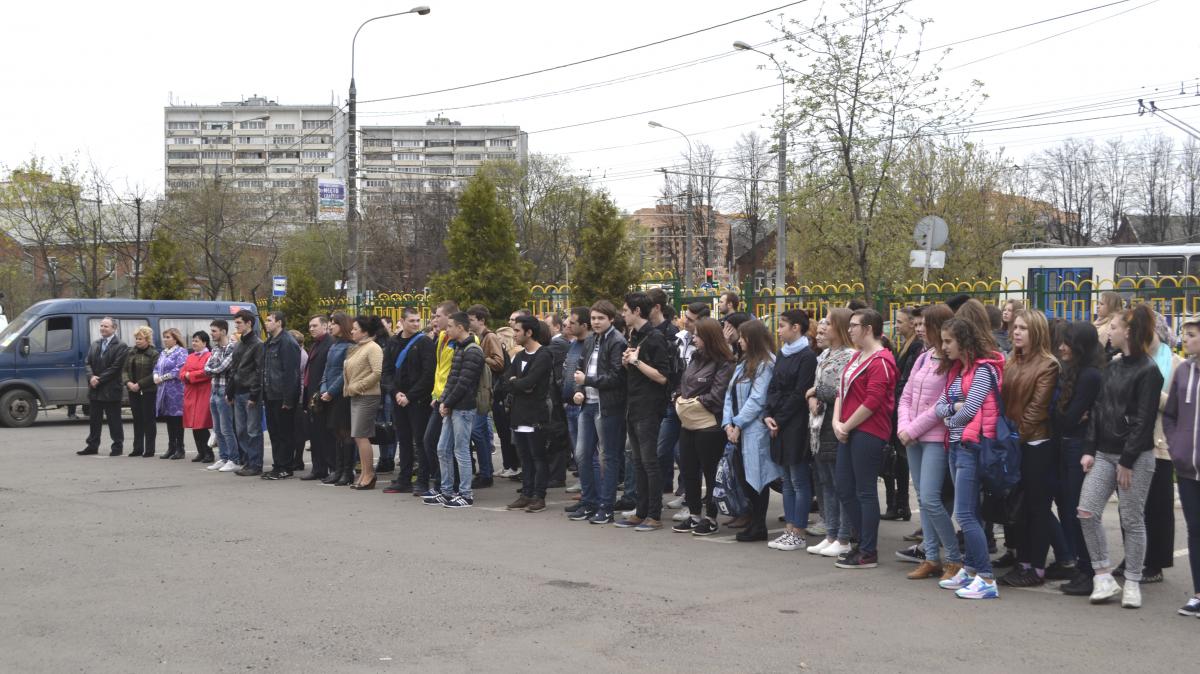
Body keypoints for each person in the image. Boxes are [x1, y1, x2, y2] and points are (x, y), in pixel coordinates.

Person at [1079, 303, 1162, 608]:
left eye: (1113, 327)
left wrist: (1127, 461)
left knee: (1131, 519)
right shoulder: (1111, 367)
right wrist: (1089, 450)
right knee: (1086, 511)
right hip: (1103, 453)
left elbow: (1144, 420)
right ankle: (1102, 576)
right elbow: (1098, 411)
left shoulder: (1149, 371)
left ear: (1128, 332)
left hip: (1135, 458)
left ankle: (1133, 581)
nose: (1108, 332)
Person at [935, 317, 1007, 599]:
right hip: (956, 445)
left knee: (964, 513)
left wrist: (951, 418)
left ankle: (986, 578)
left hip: (971, 446)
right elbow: (940, 406)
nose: (944, 347)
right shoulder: (958, 370)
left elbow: (971, 409)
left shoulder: (983, 370)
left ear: (964, 341)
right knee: (970, 512)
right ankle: (972, 568)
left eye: (948, 341)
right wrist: (954, 409)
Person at [995, 309, 1060, 587]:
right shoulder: (1011, 361)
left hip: (1035, 444)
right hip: (1013, 442)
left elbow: (1037, 410)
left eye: (1023, 328)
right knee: (1017, 508)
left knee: (1036, 508)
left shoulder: (1048, 365)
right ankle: (1022, 562)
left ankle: (1036, 568)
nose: (1017, 332)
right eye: (1016, 327)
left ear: (1037, 332)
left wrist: (1012, 440)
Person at [896, 303, 961, 581]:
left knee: (932, 499)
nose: (919, 329)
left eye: (925, 324)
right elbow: (907, 395)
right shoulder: (924, 357)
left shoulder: (954, 362)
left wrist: (912, 429)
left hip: (934, 438)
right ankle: (931, 557)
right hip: (913, 436)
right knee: (923, 498)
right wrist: (904, 427)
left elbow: (942, 405)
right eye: (918, 324)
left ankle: (954, 559)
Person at [831, 309, 897, 569]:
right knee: (844, 487)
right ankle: (861, 542)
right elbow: (841, 391)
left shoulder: (881, 361)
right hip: (848, 429)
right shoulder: (857, 357)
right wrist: (837, 422)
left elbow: (873, 401)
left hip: (869, 432)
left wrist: (845, 425)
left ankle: (868, 550)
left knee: (865, 490)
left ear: (869, 329)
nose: (849, 330)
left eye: (854, 325)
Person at [614, 292, 672, 532]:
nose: (623, 315)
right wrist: (627, 363)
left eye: (626, 310)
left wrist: (637, 362)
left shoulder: (655, 337)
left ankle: (654, 515)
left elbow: (663, 376)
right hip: (634, 405)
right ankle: (641, 511)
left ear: (637, 311)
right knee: (637, 462)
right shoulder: (634, 336)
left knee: (649, 462)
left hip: (649, 407)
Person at [1054, 321, 1104, 597]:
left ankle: (1088, 570)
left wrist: (1064, 416)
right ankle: (1080, 565)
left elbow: (1068, 418)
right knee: (1067, 506)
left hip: (1079, 448)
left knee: (1078, 510)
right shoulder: (1073, 371)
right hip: (1067, 444)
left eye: (1068, 343)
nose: (1062, 347)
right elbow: (1066, 415)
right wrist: (1065, 416)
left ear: (1081, 346)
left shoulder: (1090, 376)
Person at [672, 316, 735, 536]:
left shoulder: (725, 362)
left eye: (697, 335)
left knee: (710, 472)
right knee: (688, 470)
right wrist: (679, 397)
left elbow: (718, 396)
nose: (693, 339)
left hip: (710, 426)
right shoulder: (695, 357)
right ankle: (694, 515)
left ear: (709, 337)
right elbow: (684, 384)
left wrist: (692, 402)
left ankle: (711, 517)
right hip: (688, 423)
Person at [763, 309, 818, 550]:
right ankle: (789, 529)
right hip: (779, 421)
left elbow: (799, 394)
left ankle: (799, 530)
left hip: (795, 424)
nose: (778, 330)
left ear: (796, 328)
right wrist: (768, 415)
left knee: (798, 479)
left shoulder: (807, 356)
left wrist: (779, 419)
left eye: (782, 325)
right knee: (786, 479)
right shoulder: (782, 353)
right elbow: (773, 386)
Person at [571, 300, 627, 525]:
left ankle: (606, 506)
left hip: (608, 406)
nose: (596, 322)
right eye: (593, 318)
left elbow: (617, 377)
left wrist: (588, 381)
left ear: (611, 319)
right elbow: (580, 370)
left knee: (608, 457)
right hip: (588, 404)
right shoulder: (590, 340)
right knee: (582, 454)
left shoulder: (617, 341)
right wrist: (579, 390)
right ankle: (589, 502)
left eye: (600, 318)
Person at [722, 319, 779, 542]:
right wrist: (727, 424)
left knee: (758, 478)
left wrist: (738, 424)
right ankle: (753, 522)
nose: (740, 341)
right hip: (738, 429)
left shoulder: (766, 364)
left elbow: (757, 399)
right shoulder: (743, 363)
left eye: (743, 337)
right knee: (744, 478)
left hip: (754, 429)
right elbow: (729, 395)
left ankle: (759, 524)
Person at [806, 310, 856, 558]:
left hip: (835, 424)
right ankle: (831, 533)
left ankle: (844, 536)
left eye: (829, 322)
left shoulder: (850, 356)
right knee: (825, 482)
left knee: (840, 483)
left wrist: (815, 391)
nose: (823, 326)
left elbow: (842, 390)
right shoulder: (825, 354)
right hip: (818, 425)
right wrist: (812, 396)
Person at [427, 312, 485, 508]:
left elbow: (464, 382)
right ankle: (446, 490)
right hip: (452, 406)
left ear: (460, 327)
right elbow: (451, 379)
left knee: (461, 451)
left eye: (450, 326)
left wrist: (448, 403)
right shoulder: (458, 347)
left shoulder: (473, 350)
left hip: (464, 408)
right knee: (443, 448)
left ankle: (466, 494)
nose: (447, 329)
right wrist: (443, 400)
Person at [1162, 314, 1200, 616]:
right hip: (1187, 468)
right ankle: (1198, 593)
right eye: (1185, 334)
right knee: (1195, 530)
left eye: (1192, 334)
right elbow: (1171, 414)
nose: (1185, 339)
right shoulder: (1184, 370)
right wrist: (1177, 446)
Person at [1140, 324, 1182, 583]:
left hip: (1161, 442)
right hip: (1135, 441)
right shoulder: (1135, 359)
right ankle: (1137, 557)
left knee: (1159, 506)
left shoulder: (1176, 364)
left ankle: (1155, 563)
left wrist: (1151, 391)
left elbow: (1178, 406)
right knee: (1136, 508)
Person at [503, 315, 554, 512]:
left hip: (536, 415)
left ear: (529, 332)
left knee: (538, 457)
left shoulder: (543, 355)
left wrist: (518, 383)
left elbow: (530, 383)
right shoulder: (519, 356)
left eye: (517, 331)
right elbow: (507, 381)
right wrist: (518, 383)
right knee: (524, 457)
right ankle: (526, 493)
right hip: (519, 413)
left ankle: (539, 496)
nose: (514, 334)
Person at [382, 307, 435, 496]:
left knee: (420, 441)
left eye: (417, 320)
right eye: (411, 320)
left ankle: (422, 480)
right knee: (403, 440)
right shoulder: (393, 342)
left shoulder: (424, 342)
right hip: (398, 399)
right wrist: (396, 392)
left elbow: (428, 374)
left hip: (418, 400)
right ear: (402, 322)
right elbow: (386, 372)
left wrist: (410, 396)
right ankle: (404, 479)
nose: (415, 324)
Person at [420, 302, 462, 497]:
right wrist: (435, 395)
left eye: (438, 316)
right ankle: (443, 483)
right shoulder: (442, 338)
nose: (434, 320)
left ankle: (449, 484)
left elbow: (456, 373)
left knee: (440, 443)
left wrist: (446, 398)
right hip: (439, 397)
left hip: (451, 398)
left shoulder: (463, 341)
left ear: (450, 317)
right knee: (435, 442)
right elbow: (440, 370)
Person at [884, 306, 922, 521]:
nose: (896, 326)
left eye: (899, 322)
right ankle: (900, 503)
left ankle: (902, 503)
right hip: (899, 409)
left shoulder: (915, 347)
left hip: (903, 411)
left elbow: (905, 381)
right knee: (899, 459)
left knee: (902, 458)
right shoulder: (906, 345)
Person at [467, 304, 507, 489]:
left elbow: (499, 362)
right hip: (479, 389)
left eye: (471, 320)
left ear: (481, 320)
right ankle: (486, 470)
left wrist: (480, 357)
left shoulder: (489, 337)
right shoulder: (477, 337)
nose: (469, 323)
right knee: (480, 432)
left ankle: (486, 473)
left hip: (486, 390)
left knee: (478, 431)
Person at [344, 315, 384, 490]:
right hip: (356, 395)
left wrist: (357, 386)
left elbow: (377, 373)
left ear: (365, 331)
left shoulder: (373, 348)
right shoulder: (358, 347)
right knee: (358, 435)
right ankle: (364, 473)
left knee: (362, 435)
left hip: (367, 395)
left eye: (355, 329)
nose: (352, 331)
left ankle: (369, 474)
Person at [79, 317, 129, 456]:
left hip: (111, 389)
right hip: (95, 389)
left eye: (106, 326)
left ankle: (117, 447)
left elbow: (116, 368)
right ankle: (92, 446)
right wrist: (91, 377)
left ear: (114, 328)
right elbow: (87, 362)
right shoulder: (95, 344)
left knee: (114, 420)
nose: (102, 328)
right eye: (101, 325)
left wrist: (99, 379)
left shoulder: (121, 346)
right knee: (94, 420)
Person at [261, 311, 302, 480]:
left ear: (279, 323)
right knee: (274, 433)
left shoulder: (287, 342)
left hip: (282, 396)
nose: (266, 323)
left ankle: (285, 466)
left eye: (269, 320)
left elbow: (291, 373)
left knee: (284, 433)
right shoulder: (269, 342)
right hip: (270, 394)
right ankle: (278, 465)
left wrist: (288, 398)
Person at [227, 309, 264, 477]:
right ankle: (248, 461)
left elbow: (259, 371)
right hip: (238, 392)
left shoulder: (257, 344)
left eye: (239, 323)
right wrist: (230, 392)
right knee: (241, 430)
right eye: (235, 323)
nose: (236, 326)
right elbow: (234, 369)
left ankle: (255, 464)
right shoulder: (239, 344)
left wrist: (254, 395)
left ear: (249, 323)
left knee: (253, 430)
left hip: (250, 393)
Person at [320, 312, 355, 486]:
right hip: (330, 394)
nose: (331, 326)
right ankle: (338, 470)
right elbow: (327, 370)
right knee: (336, 433)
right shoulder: (334, 345)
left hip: (342, 395)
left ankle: (347, 472)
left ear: (343, 325)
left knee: (345, 433)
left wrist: (331, 391)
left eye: (334, 323)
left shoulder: (350, 346)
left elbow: (345, 373)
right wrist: (323, 389)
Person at [301, 315, 334, 481]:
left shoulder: (330, 344)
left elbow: (328, 371)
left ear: (325, 326)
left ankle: (331, 467)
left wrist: (323, 391)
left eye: (315, 326)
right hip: (312, 394)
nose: (311, 329)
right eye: (310, 326)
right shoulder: (315, 344)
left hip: (323, 394)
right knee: (314, 434)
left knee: (325, 435)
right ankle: (318, 468)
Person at [204, 320, 240, 472]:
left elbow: (222, 367)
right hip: (214, 390)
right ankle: (223, 457)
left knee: (227, 429)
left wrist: (212, 369)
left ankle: (234, 459)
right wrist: (213, 369)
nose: (211, 334)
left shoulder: (233, 348)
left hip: (225, 391)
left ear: (223, 331)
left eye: (214, 331)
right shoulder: (215, 348)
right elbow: (206, 368)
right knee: (217, 429)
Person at [123, 326, 160, 458]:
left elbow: (155, 373)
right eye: (136, 338)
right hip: (133, 390)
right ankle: (137, 448)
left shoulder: (154, 354)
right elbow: (124, 370)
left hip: (148, 391)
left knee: (148, 420)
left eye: (140, 339)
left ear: (147, 340)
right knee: (137, 419)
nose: (137, 341)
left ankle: (149, 449)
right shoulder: (131, 352)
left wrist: (139, 384)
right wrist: (128, 382)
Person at [153, 328, 188, 460]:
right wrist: (155, 375)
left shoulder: (181, 351)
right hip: (164, 390)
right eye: (164, 337)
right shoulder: (163, 352)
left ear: (175, 339)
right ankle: (171, 447)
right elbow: (157, 367)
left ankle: (180, 448)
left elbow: (179, 369)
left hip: (176, 391)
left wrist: (162, 378)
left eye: (168, 337)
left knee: (177, 419)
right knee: (169, 419)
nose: (165, 340)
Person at [179, 331, 213, 463]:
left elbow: (206, 372)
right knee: (193, 424)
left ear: (204, 342)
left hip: (204, 392)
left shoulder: (209, 355)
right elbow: (182, 372)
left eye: (197, 341)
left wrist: (190, 375)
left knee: (201, 423)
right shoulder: (190, 356)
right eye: (193, 340)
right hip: (191, 392)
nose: (194, 343)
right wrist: (187, 375)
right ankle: (201, 452)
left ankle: (208, 452)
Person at [1094, 291, 1123, 359]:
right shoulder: (1097, 322)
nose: (1098, 306)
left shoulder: (1114, 326)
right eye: (1098, 303)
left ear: (1111, 306)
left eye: (1101, 304)